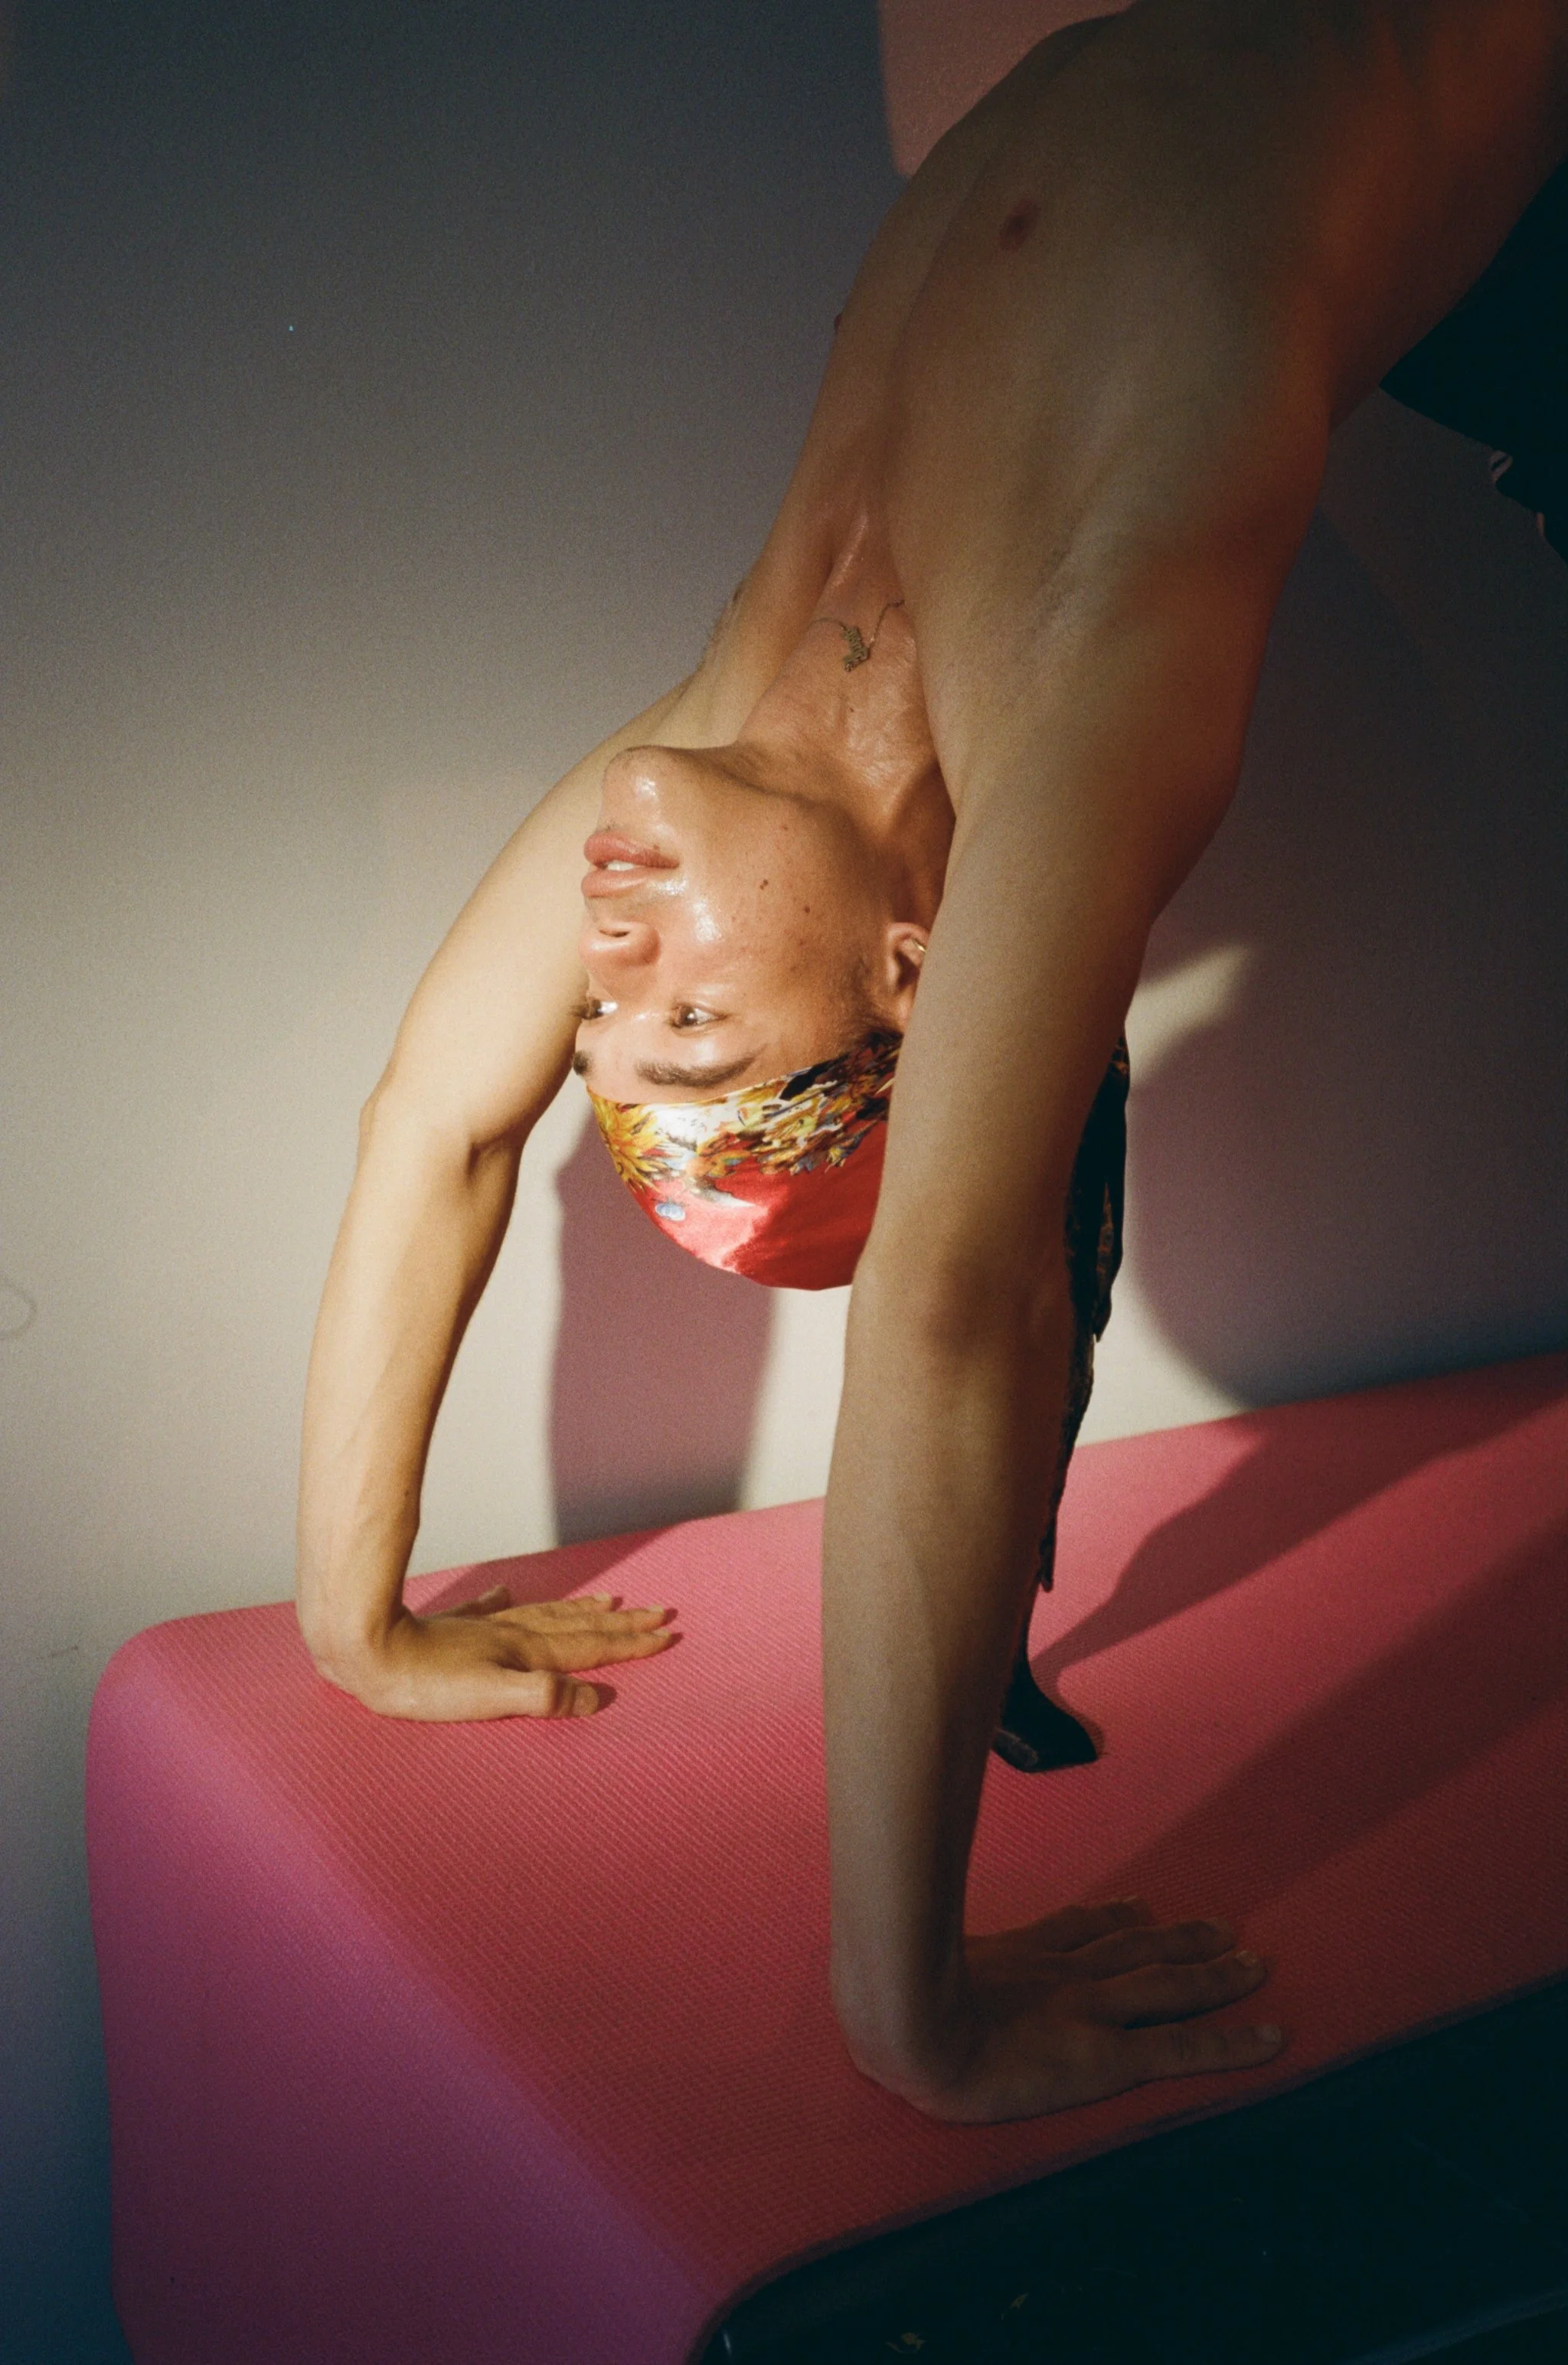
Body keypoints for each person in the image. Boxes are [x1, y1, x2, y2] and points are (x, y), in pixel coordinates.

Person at [296, 0, 1568, 2125]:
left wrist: (363, 1620)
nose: (607, 958)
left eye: (618, 1025)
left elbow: (439, 1128)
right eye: (689, 1009)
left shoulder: (724, 712)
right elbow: (948, 1311)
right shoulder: (1095, 669)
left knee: (938, 80)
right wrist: (914, 2005)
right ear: (915, 971)